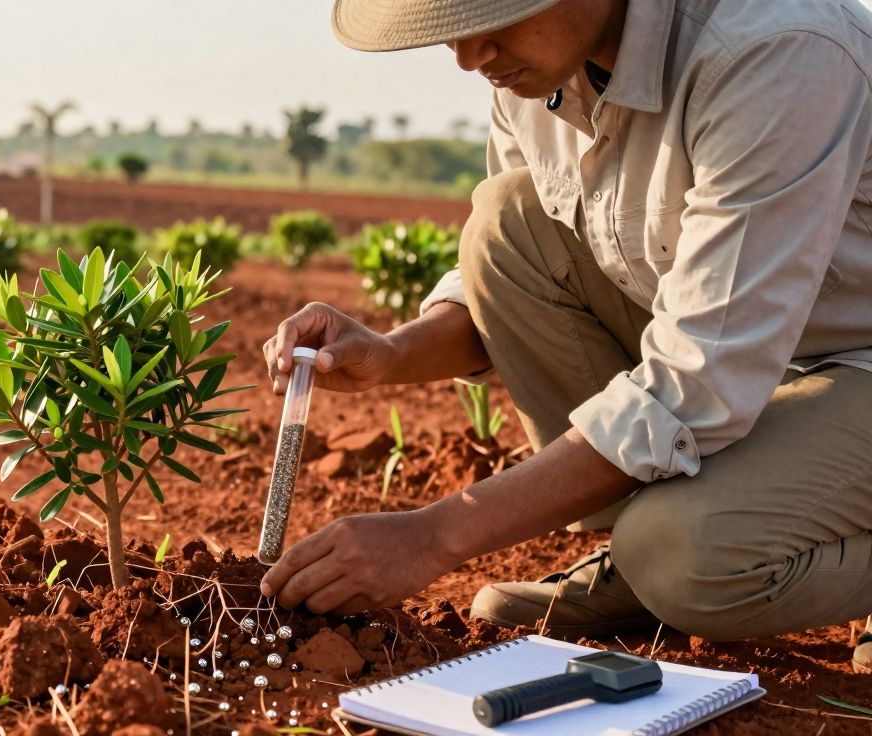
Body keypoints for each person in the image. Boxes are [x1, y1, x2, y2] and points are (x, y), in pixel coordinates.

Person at [259, 0, 872, 671]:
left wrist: (433, 535)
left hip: (850, 359)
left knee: (684, 556)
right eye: (451, 31)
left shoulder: (775, 50)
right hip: (754, 349)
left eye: (493, 18)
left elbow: (697, 381)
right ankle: (638, 572)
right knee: (503, 224)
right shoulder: (538, 71)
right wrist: (394, 351)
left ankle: (662, 561)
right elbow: (525, 267)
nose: (469, 57)